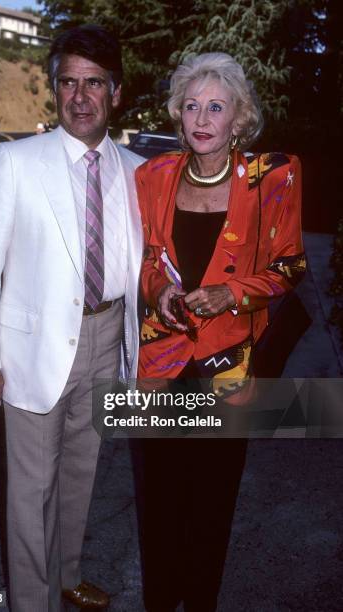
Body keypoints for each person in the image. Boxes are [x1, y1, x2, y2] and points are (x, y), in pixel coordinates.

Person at [0, 25, 143, 612]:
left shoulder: (141, 171)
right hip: (32, 350)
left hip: (109, 337)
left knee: (81, 474)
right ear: (55, 88)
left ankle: (66, 576)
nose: (81, 96)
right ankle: (31, 601)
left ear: (115, 92)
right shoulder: (14, 162)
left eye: (94, 83)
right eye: (69, 82)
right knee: (31, 491)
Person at [135, 52, 306, 611]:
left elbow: (289, 265)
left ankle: (200, 601)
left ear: (240, 119)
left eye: (216, 106)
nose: (202, 118)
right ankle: (161, 600)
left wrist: (231, 293)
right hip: (160, 364)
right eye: (191, 106)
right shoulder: (152, 176)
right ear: (177, 115)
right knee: (157, 499)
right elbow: (139, 258)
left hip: (227, 366)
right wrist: (157, 289)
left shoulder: (273, 175)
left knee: (211, 500)